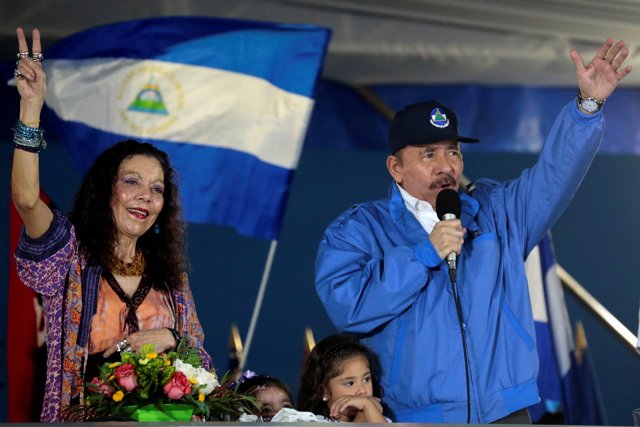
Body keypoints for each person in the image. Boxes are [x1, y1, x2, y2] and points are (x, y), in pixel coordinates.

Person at [315, 37, 632, 423]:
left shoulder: (497, 211)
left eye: (452, 151)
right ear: (395, 168)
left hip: (507, 411)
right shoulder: (358, 230)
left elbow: (554, 176)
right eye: (429, 155)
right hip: (418, 417)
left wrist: (587, 107)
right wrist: (423, 255)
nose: (446, 165)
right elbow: (349, 306)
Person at [11, 28, 212, 422]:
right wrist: (31, 109)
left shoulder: (172, 280)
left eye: (157, 189)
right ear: (105, 192)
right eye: (132, 182)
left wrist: (171, 338)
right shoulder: (69, 255)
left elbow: (201, 361)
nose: (146, 196)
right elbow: (26, 199)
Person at [297, 334, 388, 423]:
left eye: (366, 379)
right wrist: (364, 412)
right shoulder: (314, 422)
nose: (362, 391)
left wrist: (369, 410)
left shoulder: (381, 419)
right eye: (350, 383)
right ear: (323, 391)